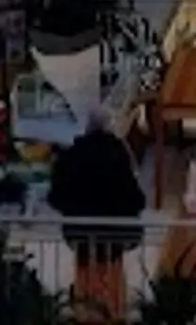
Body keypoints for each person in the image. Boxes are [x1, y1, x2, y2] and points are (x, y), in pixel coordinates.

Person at [44, 111, 145, 314]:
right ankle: (115, 312)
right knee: (114, 271)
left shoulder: (71, 156)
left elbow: (56, 196)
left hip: (80, 234)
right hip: (116, 234)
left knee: (84, 272)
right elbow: (136, 199)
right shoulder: (117, 155)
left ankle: (84, 313)